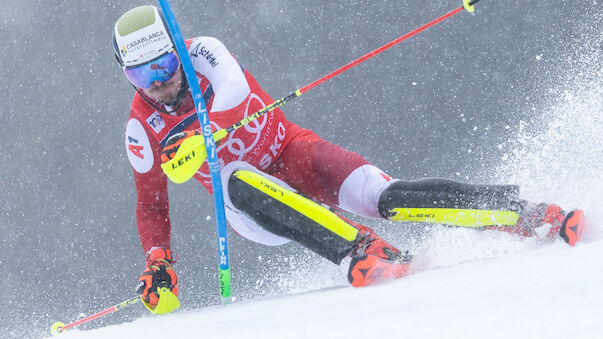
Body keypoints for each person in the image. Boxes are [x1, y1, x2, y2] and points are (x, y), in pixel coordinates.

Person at [113, 5, 587, 311]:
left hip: (293, 151)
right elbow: (150, 205)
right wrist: (159, 263)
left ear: (177, 49)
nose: (157, 81)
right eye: (140, 73)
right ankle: (359, 251)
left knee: (383, 194)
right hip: (252, 209)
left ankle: (527, 215)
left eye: (163, 63)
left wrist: (205, 133)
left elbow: (235, 89)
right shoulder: (141, 129)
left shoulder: (204, 53)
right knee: (236, 176)